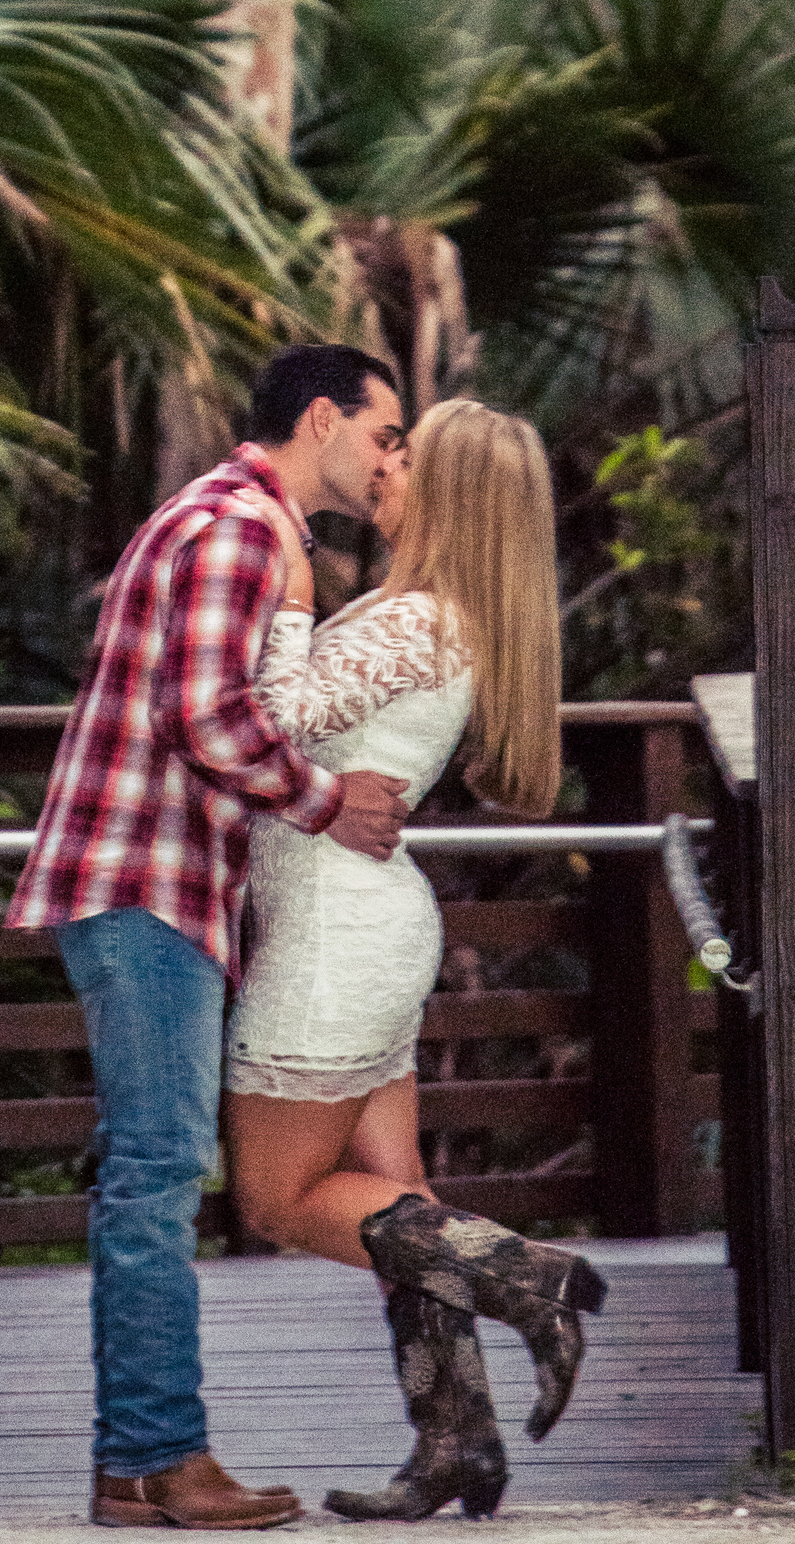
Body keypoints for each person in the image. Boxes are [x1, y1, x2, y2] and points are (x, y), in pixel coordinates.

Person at [8, 341, 412, 1533]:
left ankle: (141, 1462)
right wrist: (331, 800)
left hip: (152, 884)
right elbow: (208, 716)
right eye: (384, 434)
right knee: (156, 1170)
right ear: (325, 416)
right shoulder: (238, 526)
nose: (390, 457)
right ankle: (155, 1458)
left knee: (157, 1166)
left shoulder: (222, 514)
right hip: (146, 884)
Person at [224, 397, 597, 1525]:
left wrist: (288, 596)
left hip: (335, 935)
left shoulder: (416, 621)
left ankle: (530, 1276)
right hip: (356, 921)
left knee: (278, 1199)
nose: (380, 464)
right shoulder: (428, 615)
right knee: (397, 1201)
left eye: (402, 453)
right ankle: (453, 1445)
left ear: (449, 492)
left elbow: (272, 714)